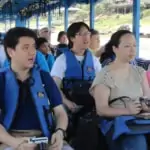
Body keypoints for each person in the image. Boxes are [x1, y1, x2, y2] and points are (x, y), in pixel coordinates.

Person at [0, 27, 71, 150]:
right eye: (26, 48)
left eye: (33, 47)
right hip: (11, 139)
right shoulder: (2, 79)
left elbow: (60, 111)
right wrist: (15, 143)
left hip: (45, 138)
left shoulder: (44, 77)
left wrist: (59, 132)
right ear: (11, 52)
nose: (32, 52)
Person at [90, 30, 150, 150]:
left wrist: (145, 106)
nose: (132, 50)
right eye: (127, 46)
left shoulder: (139, 72)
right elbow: (101, 109)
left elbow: (147, 97)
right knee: (137, 143)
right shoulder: (105, 74)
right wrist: (127, 110)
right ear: (115, 48)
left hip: (140, 121)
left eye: (134, 45)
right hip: (117, 123)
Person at [51, 22, 103, 150]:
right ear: (72, 38)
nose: (87, 37)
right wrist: (67, 102)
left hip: (90, 106)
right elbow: (54, 87)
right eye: (82, 34)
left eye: (88, 34)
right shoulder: (62, 60)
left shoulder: (95, 61)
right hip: (68, 106)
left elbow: (101, 85)